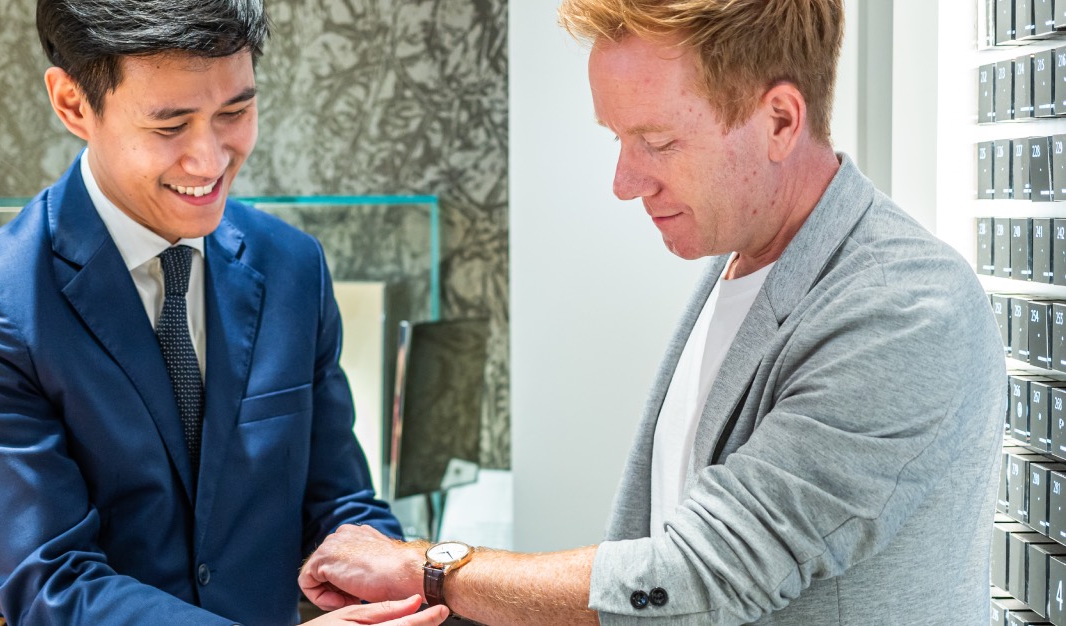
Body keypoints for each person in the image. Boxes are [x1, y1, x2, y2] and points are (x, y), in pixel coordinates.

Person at [299, 0, 1006, 624]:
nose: (624, 182)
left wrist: (432, 568)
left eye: (658, 142)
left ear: (780, 120)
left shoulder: (907, 307)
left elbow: (696, 580)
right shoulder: (738, 258)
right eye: (618, 138)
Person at [0, 1, 447, 625]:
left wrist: (399, 587)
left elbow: (337, 501)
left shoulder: (292, 266)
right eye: (170, 125)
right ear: (72, 104)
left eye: (236, 111)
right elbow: (49, 582)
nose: (210, 159)